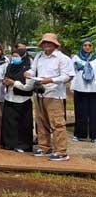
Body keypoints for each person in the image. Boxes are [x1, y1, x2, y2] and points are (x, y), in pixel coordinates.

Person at [28, 33, 75, 161]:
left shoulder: (63, 58)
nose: (47, 45)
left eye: (50, 43)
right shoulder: (39, 56)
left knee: (57, 123)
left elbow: (68, 76)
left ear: (55, 44)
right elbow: (33, 70)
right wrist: (29, 73)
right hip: (39, 93)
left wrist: (51, 80)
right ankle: (45, 147)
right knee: (41, 122)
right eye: (45, 43)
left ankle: (61, 151)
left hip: (54, 95)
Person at [1, 48, 34, 152]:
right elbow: (7, 78)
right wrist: (5, 82)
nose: (14, 58)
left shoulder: (29, 70)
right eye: (13, 56)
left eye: (17, 56)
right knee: (9, 123)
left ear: (23, 57)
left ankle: (22, 145)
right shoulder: (10, 66)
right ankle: (9, 143)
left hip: (22, 100)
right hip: (9, 98)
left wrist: (14, 83)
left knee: (23, 124)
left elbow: (28, 87)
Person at [71, 38, 96, 142]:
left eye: (89, 45)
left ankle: (94, 136)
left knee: (94, 113)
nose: (87, 47)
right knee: (80, 112)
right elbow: (71, 72)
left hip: (94, 89)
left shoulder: (95, 58)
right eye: (85, 45)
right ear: (82, 46)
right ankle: (79, 134)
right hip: (79, 88)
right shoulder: (76, 57)